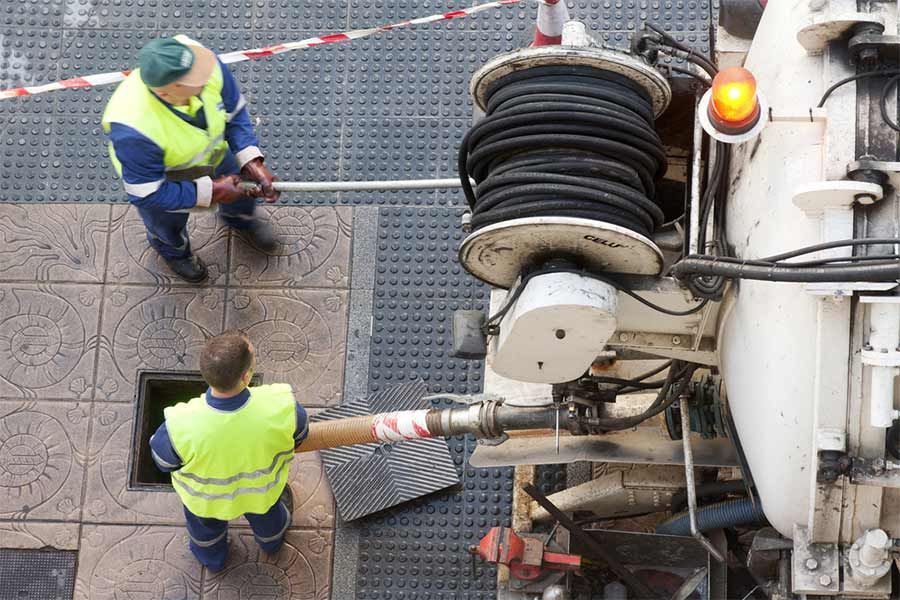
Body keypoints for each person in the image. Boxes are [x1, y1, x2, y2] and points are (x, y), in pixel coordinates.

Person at [102, 35, 281, 283]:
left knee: (242, 193)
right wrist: (214, 191)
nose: (206, 75)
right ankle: (175, 253)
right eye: (195, 81)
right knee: (167, 226)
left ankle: (241, 219)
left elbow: (235, 113)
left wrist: (251, 160)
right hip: (166, 178)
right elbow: (146, 193)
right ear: (167, 92)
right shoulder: (133, 128)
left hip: (216, 154)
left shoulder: (201, 62)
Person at [149, 330, 308, 571]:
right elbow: (300, 436)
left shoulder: (179, 423)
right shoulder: (280, 405)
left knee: (205, 535)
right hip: (261, 493)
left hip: (205, 500)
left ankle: (213, 561)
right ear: (246, 376)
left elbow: (163, 462)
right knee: (271, 523)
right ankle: (271, 544)